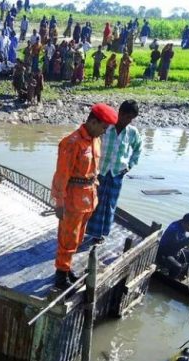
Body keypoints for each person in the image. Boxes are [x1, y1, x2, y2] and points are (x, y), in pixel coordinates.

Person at [51, 104, 118, 289]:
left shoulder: (95, 140)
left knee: (78, 237)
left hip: (88, 197)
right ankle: (60, 274)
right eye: (103, 127)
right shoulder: (71, 143)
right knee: (68, 238)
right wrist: (59, 202)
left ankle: (66, 268)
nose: (104, 132)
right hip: (72, 199)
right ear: (92, 121)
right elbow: (61, 175)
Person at [85, 100, 141, 242]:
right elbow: (91, 142)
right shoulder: (105, 127)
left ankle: (101, 234)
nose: (128, 121)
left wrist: (129, 165)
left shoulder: (132, 133)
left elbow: (138, 149)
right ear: (120, 113)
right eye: (126, 117)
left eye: (131, 118)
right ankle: (89, 231)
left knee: (110, 205)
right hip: (100, 171)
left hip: (116, 173)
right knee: (94, 202)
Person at [156, 213, 189, 279]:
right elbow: (175, 247)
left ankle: (182, 273)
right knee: (178, 267)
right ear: (185, 223)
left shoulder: (182, 225)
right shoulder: (174, 229)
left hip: (177, 252)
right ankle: (170, 279)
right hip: (165, 253)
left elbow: (183, 239)